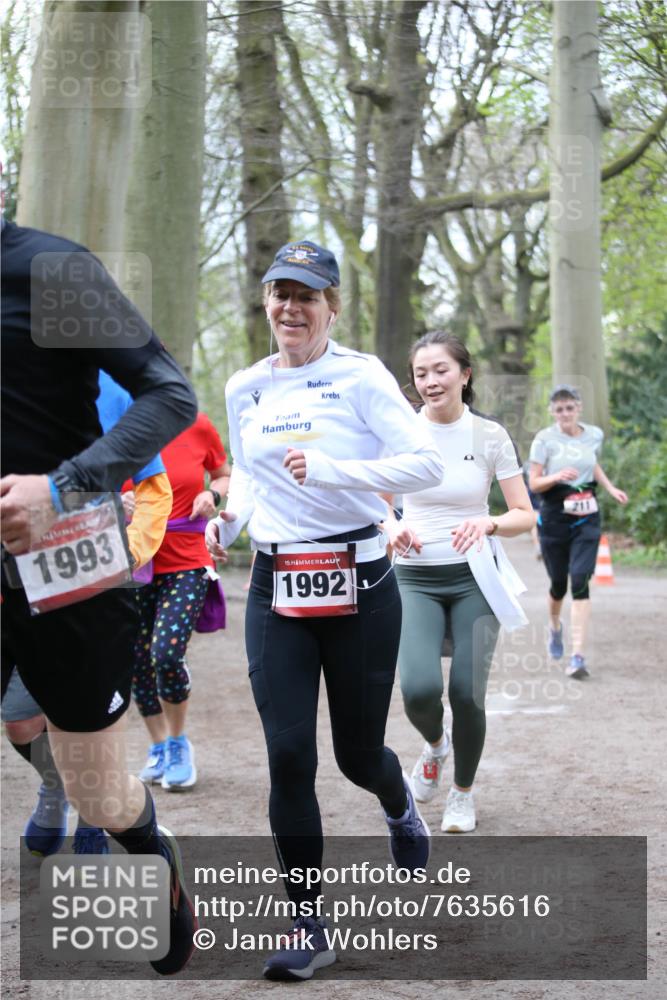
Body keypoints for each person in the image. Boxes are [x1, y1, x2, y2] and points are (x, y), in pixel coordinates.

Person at [205, 239, 444, 981]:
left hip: (359, 582)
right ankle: (309, 923)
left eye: (306, 295)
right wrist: (230, 521)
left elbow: (424, 464)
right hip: (278, 584)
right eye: (280, 293)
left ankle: (397, 799)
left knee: (353, 754)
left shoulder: (362, 377)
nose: (289, 307)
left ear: (331, 306)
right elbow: (248, 473)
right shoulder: (245, 386)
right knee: (286, 756)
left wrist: (339, 470)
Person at [1, 219, 198, 975]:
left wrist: (62, 487)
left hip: (63, 562)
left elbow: (169, 394)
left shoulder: (53, 272)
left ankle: (154, 857)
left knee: (99, 794)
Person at [3, 369, 173, 857]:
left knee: (78, 740)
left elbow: (153, 486)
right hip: (10, 592)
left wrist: (130, 552)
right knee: (19, 722)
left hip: (78, 592)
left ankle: (90, 813)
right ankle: (57, 786)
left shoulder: (106, 385)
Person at [382, 332, 536, 835]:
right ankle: (434, 745)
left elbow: (523, 515)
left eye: (440, 370)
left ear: (465, 375)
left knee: (468, 693)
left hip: (475, 578)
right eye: (421, 373)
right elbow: (378, 501)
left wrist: (489, 523)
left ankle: (462, 794)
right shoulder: (401, 433)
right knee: (419, 690)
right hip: (413, 578)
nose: (430, 381)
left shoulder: (489, 436)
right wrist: (391, 525)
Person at [133, 411, 230, 790]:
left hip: (187, 558)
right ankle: (158, 745)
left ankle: (177, 743)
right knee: (136, 661)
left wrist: (212, 493)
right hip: (130, 557)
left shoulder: (196, 423)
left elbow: (224, 474)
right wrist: (114, 503)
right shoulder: (109, 425)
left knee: (166, 654)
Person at [529, 384, 628, 678]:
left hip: (587, 515)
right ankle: (555, 627)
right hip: (555, 515)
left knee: (580, 581)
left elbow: (592, 464)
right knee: (559, 584)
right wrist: (556, 476)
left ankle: (578, 656)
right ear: (552, 412)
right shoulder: (544, 440)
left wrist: (610, 488)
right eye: (559, 409)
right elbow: (534, 483)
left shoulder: (594, 435)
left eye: (569, 407)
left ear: (579, 408)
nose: (565, 414)